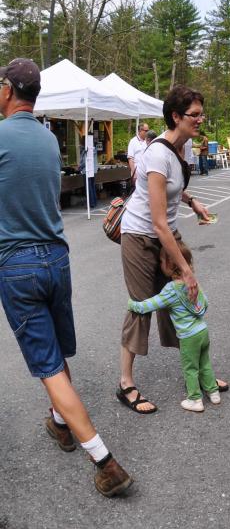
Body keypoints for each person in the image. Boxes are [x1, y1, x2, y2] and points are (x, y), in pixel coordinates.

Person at [0, 57, 133, 497]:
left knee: (48, 367)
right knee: (56, 354)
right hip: (57, 257)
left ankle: (104, 460)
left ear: (6, 90)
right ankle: (59, 423)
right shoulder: (48, 140)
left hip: (16, 262)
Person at [118, 85, 217, 415]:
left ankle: (198, 371)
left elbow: (172, 189)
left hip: (165, 232)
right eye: (194, 114)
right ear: (175, 117)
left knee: (183, 296)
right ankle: (126, 383)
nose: (200, 119)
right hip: (141, 235)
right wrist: (186, 270)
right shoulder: (158, 153)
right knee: (142, 305)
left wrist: (192, 201)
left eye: (202, 113)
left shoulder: (183, 148)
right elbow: (158, 222)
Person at [127, 242, 219, 413]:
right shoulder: (192, 284)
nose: (160, 264)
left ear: (169, 266)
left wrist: (133, 304)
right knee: (204, 362)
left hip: (188, 337)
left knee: (190, 368)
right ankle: (213, 393)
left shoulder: (171, 290)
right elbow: (204, 305)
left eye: (162, 261)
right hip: (202, 331)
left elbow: (150, 305)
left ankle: (195, 400)